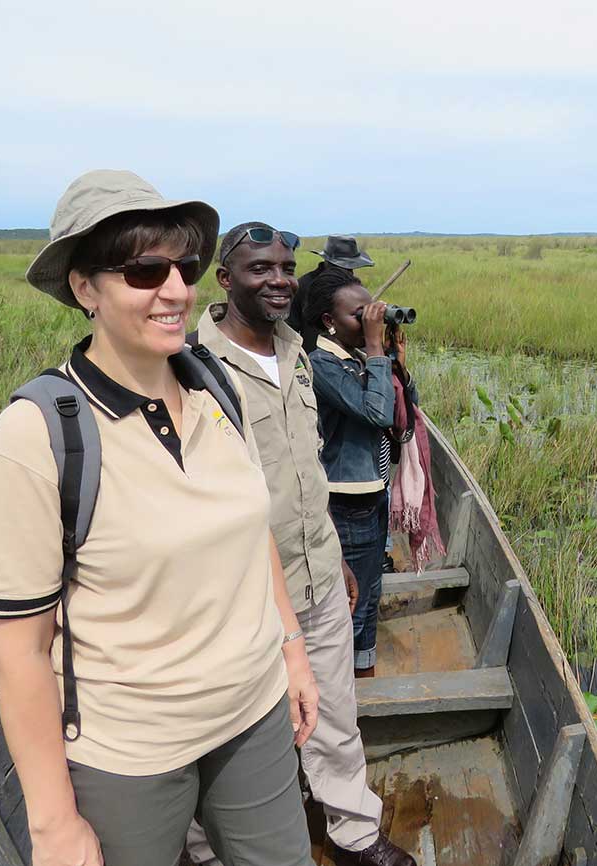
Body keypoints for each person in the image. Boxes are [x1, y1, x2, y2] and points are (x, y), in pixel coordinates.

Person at [0, 170, 317, 866]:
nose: (175, 291)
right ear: (84, 288)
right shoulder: (39, 434)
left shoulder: (214, 384)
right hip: (128, 751)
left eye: (184, 267)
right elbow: (17, 649)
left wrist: (293, 651)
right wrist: (53, 823)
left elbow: (253, 537)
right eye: (142, 270)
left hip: (253, 715)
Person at [187, 222, 417, 866]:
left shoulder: (298, 351)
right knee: (230, 729)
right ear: (225, 280)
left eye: (286, 267)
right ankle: (207, 849)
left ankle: (354, 831)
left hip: (318, 572)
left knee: (338, 712)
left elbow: (306, 474)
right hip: (244, 592)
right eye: (260, 269)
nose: (279, 279)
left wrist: (336, 553)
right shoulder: (192, 365)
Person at [303, 271, 416, 679]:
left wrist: (393, 363)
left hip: (373, 490)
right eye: (360, 315)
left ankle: (362, 672)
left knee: (370, 591)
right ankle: (343, 683)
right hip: (345, 500)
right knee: (352, 598)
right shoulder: (323, 364)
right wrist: (373, 348)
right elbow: (376, 413)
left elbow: (403, 416)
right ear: (329, 322)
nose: (371, 320)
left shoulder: (359, 360)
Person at [288, 235, 375, 341]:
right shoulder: (304, 285)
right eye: (341, 267)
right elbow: (291, 326)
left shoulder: (352, 286)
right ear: (327, 262)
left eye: (349, 267)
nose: (347, 272)